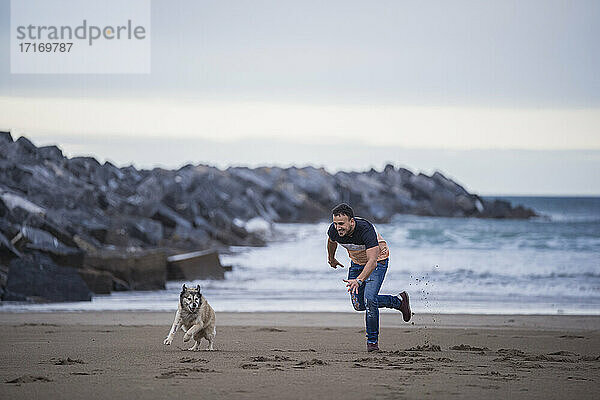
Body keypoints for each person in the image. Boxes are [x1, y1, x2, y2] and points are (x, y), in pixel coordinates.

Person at [326, 203, 411, 352]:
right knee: (359, 305)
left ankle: (372, 343)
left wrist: (359, 280)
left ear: (351, 221)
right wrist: (331, 258)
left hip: (378, 262)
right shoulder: (334, 230)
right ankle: (398, 301)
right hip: (357, 263)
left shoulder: (365, 229)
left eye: (341, 224)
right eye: (335, 223)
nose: (338, 227)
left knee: (370, 299)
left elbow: (372, 262)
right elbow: (331, 241)